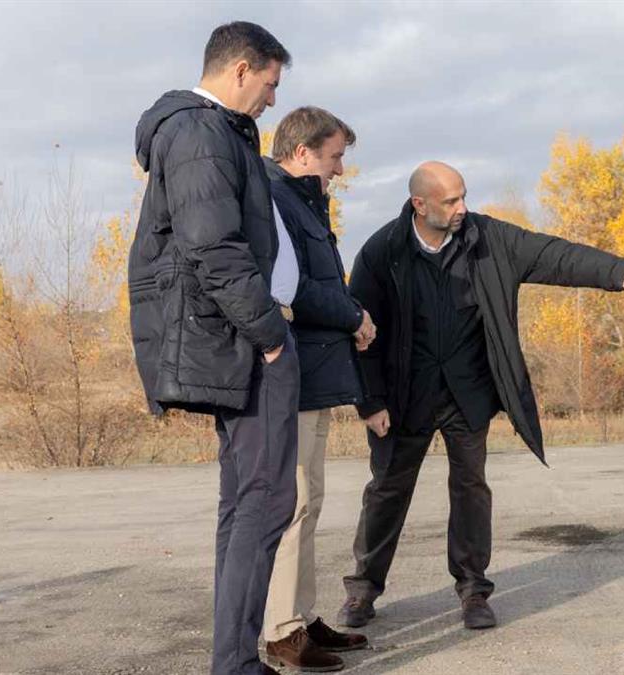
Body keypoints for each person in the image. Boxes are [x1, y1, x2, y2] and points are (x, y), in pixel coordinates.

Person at [338, 161, 624, 630]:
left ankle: (472, 591)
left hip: (469, 393)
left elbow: (553, 255)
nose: (463, 208)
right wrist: (370, 401)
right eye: (451, 201)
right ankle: (363, 590)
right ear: (419, 205)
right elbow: (362, 332)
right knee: (386, 491)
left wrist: (617, 271)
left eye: (464, 196)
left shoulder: (488, 238)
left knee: (471, 489)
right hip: (404, 397)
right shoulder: (383, 251)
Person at [128, 21, 297, 675]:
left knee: (249, 500)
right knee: (264, 499)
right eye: (271, 84)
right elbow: (214, 248)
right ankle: (234, 665)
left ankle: (235, 659)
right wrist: (270, 335)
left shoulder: (211, 133)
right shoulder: (200, 133)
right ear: (242, 70)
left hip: (241, 340)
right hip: (246, 343)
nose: (273, 101)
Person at [261, 106, 375, 672]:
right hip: (294, 374)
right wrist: (353, 316)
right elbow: (296, 287)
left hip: (317, 373)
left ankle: (301, 618)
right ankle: (282, 632)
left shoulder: (303, 200)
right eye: (333, 158)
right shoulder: (279, 200)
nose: (337, 169)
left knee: (311, 501)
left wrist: (350, 313)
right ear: (303, 153)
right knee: (294, 503)